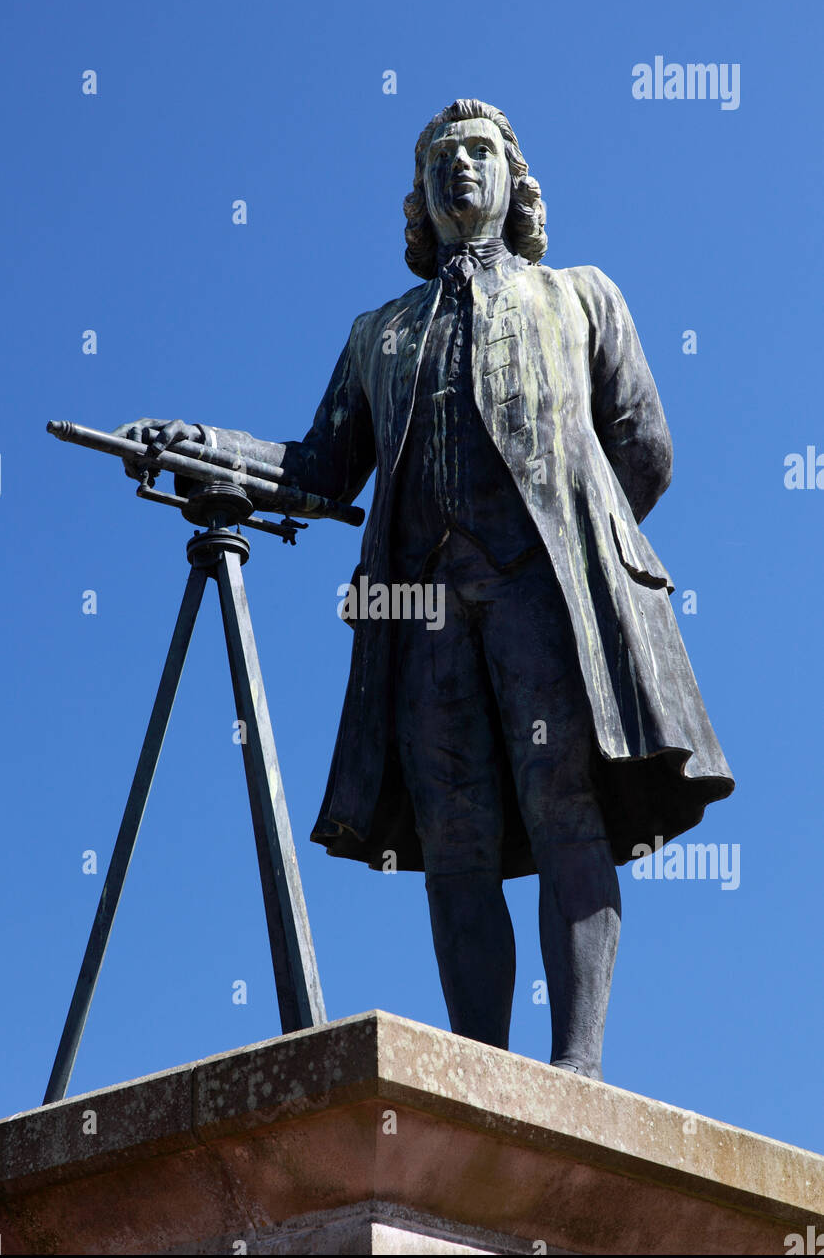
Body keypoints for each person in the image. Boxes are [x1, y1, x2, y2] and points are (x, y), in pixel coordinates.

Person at [116, 99, 734, 1079]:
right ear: (421, 193)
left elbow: (644, 451)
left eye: (478, 151)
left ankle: (575, 1065)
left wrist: (582, 553)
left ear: (511, 174)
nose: (459, 169)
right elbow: (318, 466)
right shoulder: (379, 335)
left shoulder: (580, 297)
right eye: (440, 158)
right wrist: (210, 445)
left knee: (561, 803)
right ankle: (482, 1067)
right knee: (455, 837)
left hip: (545, 598)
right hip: (424, 612)